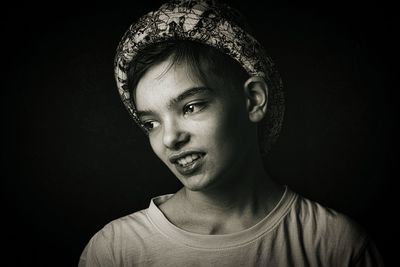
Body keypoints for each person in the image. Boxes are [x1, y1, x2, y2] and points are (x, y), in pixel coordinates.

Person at [79, 0, 384, 266]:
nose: (170, 138)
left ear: (253, 101)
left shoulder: (336, 245)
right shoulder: (116, 250)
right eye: (151, 123)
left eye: (191, 107)